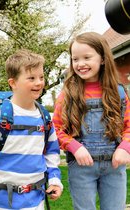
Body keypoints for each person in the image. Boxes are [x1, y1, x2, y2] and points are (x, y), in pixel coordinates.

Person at [0, 49, 63, 209]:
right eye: (31, 78)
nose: (39, 82)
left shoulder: (43, 117)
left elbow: (51, 152)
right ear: (13, 83)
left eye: (41, 77)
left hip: (36, 202)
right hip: (0, 203)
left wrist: (55, 180)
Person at [53, 32, 130, 210]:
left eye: (87, 57)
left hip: (114, 166)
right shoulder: (68, 95)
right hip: (80, 168)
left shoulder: (118, 93)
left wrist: (125, 147)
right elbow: (55, 129)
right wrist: (74, 146)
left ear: (102, 59)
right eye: (75, 59)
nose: (80, 64)